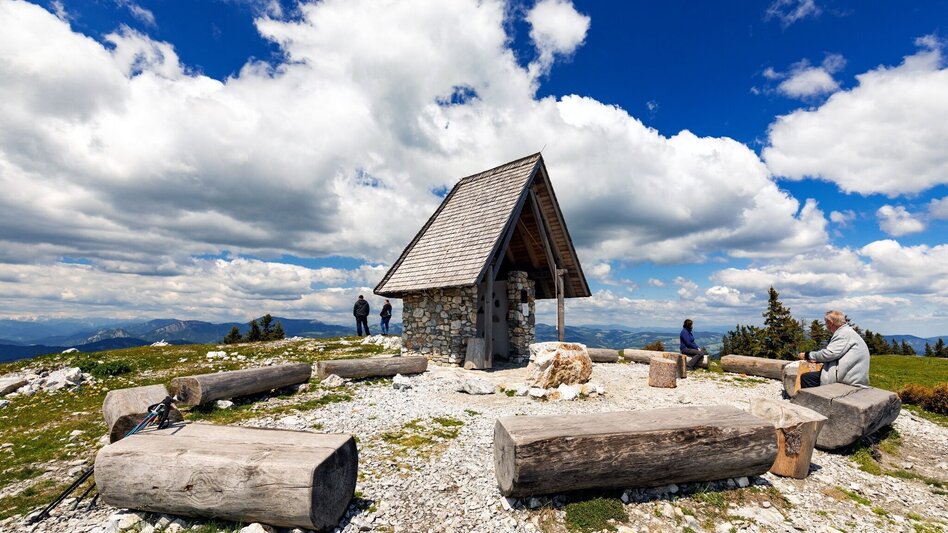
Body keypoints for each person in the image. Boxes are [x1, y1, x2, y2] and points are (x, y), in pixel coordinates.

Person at [798, 310, 869, 388]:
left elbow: (829, 354)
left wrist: (808, 355)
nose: (826, 325)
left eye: (826, 322)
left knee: (806, 378)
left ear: (830, 323)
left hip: (848, 380)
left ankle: (815, 399)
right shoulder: (847, 332)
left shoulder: (843, 334)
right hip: (853, 376)